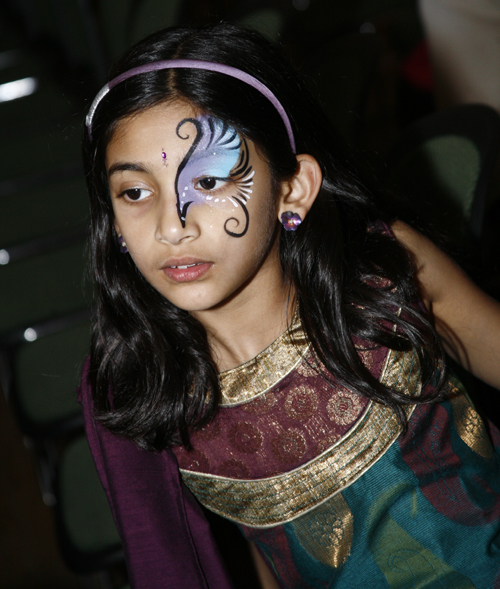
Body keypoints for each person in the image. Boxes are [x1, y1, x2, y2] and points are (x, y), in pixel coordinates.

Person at [79, 22, 500, 589]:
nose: (171, 226)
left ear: (293, 188)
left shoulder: (384, 279)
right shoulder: (154, 386)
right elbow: (272, 554)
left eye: (210, 180)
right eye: (135, 191)